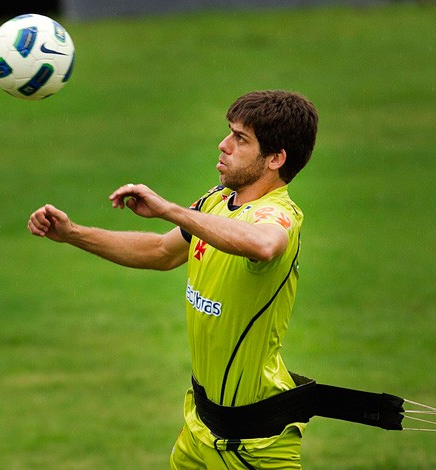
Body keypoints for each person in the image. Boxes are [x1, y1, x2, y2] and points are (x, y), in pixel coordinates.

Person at [27, 90, 319, 469]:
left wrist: (170, 210)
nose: (224, 145)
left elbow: (264, 244)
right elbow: (161, 253)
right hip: (200, 428)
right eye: (229, 132)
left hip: (254, 445)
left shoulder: (280, 215)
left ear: (275, 159)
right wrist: (72, 234)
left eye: (240, 138)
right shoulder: (217, 201)